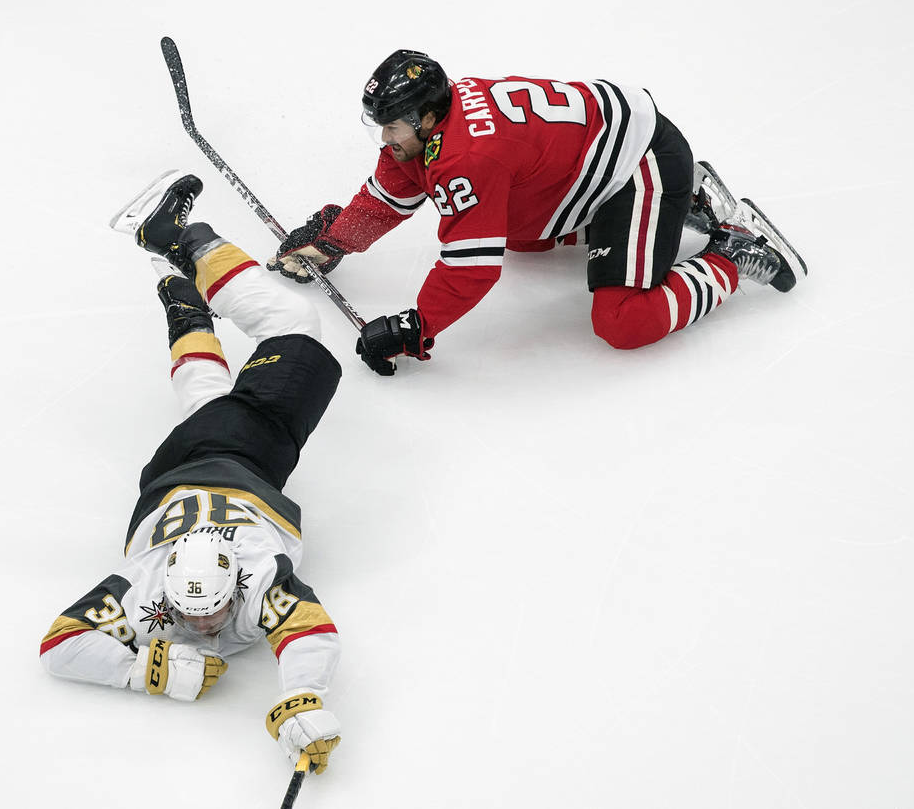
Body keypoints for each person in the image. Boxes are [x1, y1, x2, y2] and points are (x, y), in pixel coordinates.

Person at [40, 172, 343, 774]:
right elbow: (58, 645)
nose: (203, 626)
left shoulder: (216, 581)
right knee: (205, 399)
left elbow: (60, 645)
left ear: (234, 578)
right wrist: (296, 697)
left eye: (209, 611)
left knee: (295, 332)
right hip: (172, 470)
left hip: (237, 457)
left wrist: (138, 672)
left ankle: (183, 239)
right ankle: (183, 302)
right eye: (192, 613)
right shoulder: (170, 589)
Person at [266, 50, 808, 376]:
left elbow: (471, 267)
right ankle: (676, 204)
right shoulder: (437, 125)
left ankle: (731, 251)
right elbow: (396, 188)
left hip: (643, 161)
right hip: (604, 152)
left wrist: (417, 327)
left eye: (393, 127)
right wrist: (336, 240)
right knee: (516, 234)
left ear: (428, 115)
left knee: (622, 321)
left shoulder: (465, 158)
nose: (385, 140)